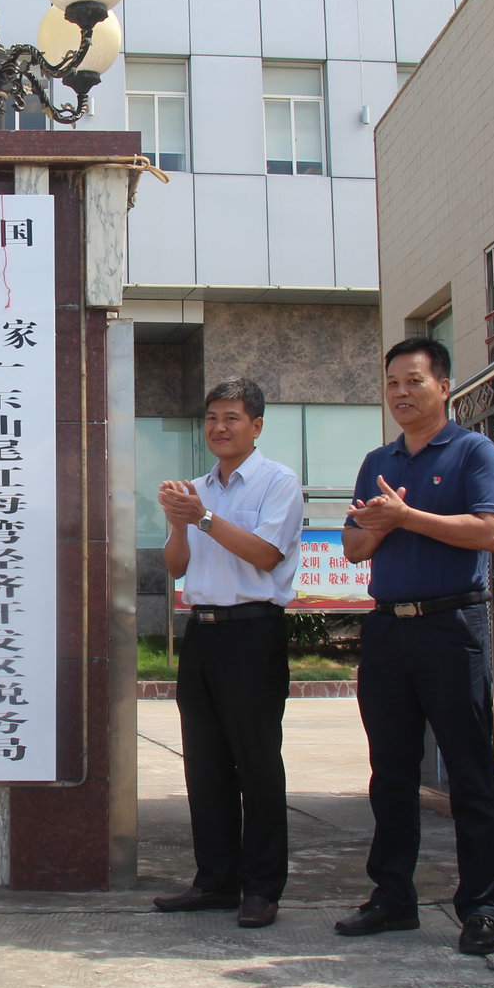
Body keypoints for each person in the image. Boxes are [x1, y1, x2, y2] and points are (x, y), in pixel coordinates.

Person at [338, 337, 494, 955]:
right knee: (390, 773)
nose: (401, 393)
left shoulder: (471, 451)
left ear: (443, 385)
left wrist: (407, 519)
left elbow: (491, 531)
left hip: (451, 627)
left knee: (468, 773)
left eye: (413, 381)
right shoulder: (377, 460)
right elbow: (355, 548)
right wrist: (382, 523)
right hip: (387, 629)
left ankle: (482, 908)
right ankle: (391, 897)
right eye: (392, 384)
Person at [150, 378, 305, 929]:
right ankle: (214, 880)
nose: (219, 427)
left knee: (257, 763)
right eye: (212, 417)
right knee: (205, 762)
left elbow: (266, 554)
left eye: (232, 418)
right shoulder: (195, 489)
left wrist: (204, 519)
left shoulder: (277, 481)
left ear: (256, 426)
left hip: (253, 632)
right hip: (204, 632)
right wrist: (177, 523)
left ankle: (262, 887)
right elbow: (175, 567)